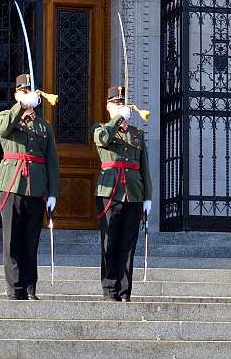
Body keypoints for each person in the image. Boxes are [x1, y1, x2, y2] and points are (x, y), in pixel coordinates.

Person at [0, 73, 59, 300]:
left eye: (31, 92)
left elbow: (51, 161)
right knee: (12, 240)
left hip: (36, 187)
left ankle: (30, 288)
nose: (29, 96)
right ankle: (15, 288)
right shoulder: (6, 116)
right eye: (24, 91)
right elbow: (3, 130)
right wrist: (20, 106)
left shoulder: (44, 126)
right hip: (11, 184)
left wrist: (52, 193)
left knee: (31, 240)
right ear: (17, 94)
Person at [92, 86, 152, 302]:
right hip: (110, 191)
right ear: (109, 107)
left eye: (122, 104)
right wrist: (116, 119)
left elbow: (144, 167)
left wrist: (148, 197)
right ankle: (110, 289)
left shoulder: (137, 134)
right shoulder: (101, 128)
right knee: (109, 242)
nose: (121, 108)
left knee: (128, 243)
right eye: (116, 104)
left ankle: (125, 291)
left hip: (133, 193)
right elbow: (102, 140)